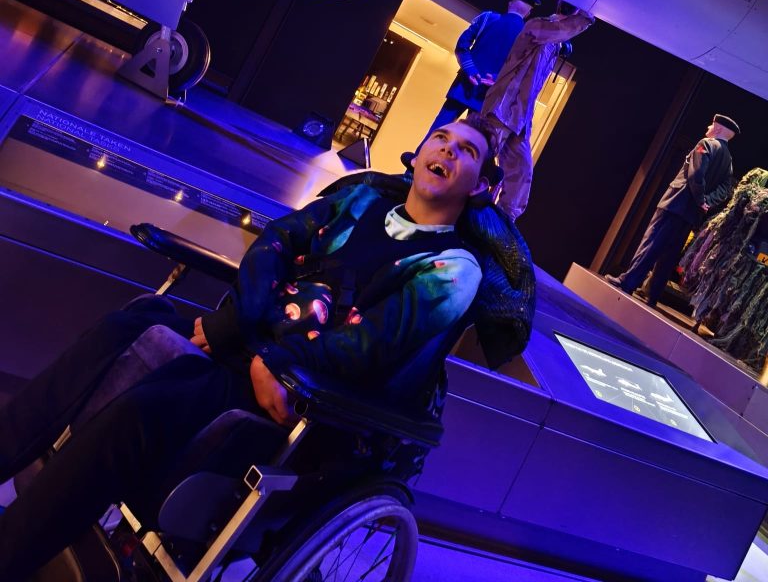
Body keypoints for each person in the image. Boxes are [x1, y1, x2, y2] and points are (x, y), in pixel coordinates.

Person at [0, 114, 536, 579]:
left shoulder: (451, 269)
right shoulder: (362, 198)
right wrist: (235, 322)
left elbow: (367, 347)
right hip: (253, 343)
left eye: (467, 151)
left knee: (145, 407)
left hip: (302, 392)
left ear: (481, 189)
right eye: (441, 138)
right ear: (416, 155)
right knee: (132, 322)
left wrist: (275, 360)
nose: (448, 149)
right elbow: (277, 241)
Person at [606, 114, 739, 308]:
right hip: (691, 214)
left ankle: (627, 282)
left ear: (718, 129)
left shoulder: (705, 144)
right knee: (669, 255)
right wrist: (707, 201)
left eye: (712, 125)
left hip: (676, 204)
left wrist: (701, 199)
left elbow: (695, 174)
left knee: (651, 244)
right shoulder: (728, 159)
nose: (708, 127)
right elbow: (726, 188)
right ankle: (652, 294)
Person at [481, 2, 594, 220]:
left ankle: (502, 223)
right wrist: (586, 17)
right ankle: (455, 209)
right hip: (502, 109)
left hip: (521, 118)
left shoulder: (555, 44)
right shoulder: (537, 26)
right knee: (479, 162)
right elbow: (561, 30)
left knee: (521, 172)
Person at [424, 0, 541, 139]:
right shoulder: (527, 37)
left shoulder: (487, 18)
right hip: (489, 95)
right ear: (528, 13)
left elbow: (462, 46)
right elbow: (521, 70)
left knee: (439, 129)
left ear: (510, 4)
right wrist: (497, 79)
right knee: (469, 139)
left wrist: (471, 70)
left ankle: (420, 154)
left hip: (464, 85)